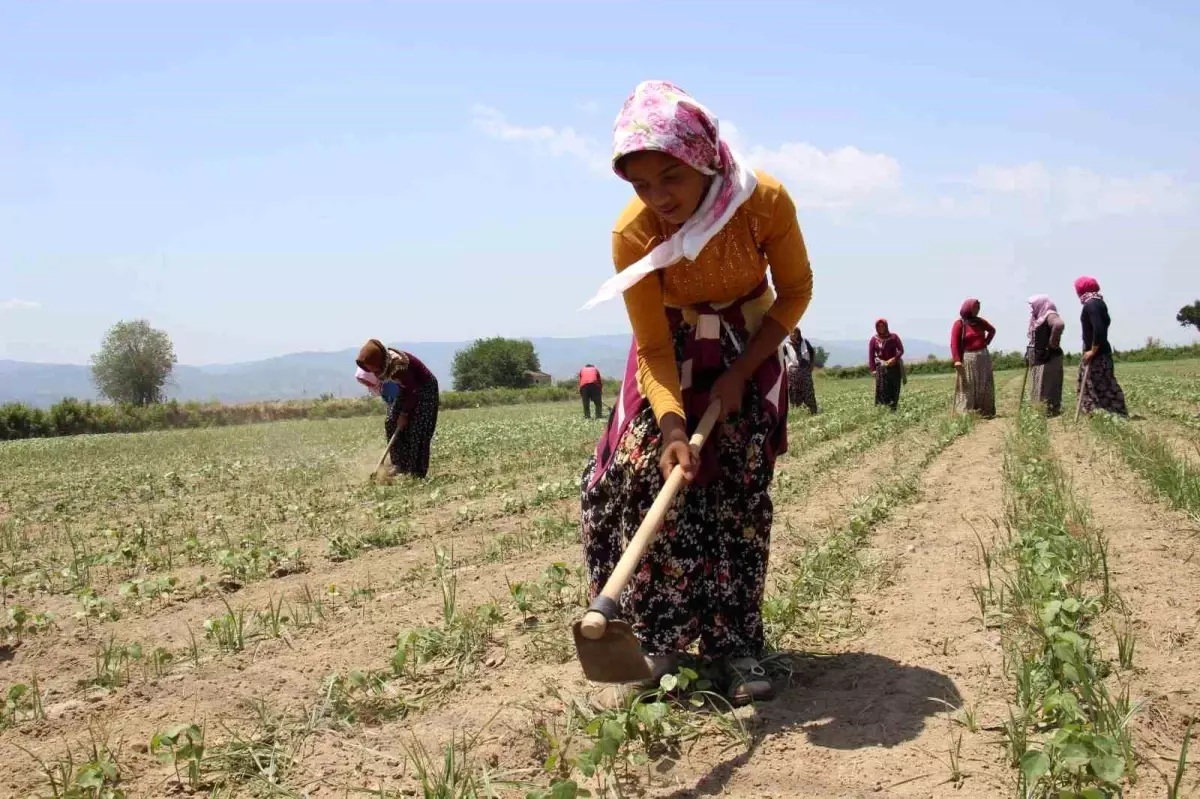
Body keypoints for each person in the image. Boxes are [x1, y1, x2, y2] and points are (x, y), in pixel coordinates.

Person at [579, 81, 813, 706]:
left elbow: (794, 294)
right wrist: (674, 427)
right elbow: (654, 349)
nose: (657, 198)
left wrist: (740, 375)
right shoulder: (635, 232)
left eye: (669, 178)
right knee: (634, 474)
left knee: (735, 479)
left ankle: (735, 646)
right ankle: (661, 643)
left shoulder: (762, 202)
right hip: (671, 350)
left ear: (704, 158)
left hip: (748, 336)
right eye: (640, 185)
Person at [355, 339, 440, 478]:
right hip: (407, 390)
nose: (370, 371)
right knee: (391, 421)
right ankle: (399, 465)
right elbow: (405, 389)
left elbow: (413, 391)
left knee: (418, 428)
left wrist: (405, 414)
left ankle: (415, 472)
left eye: (371, 367)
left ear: (378, 361)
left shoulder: (398, 366)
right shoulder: (384, 363)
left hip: (424, 389)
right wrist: (399, 415)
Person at [1074, 276, 1127, 416]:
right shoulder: (1098, 302)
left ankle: (1110, 412)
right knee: (1096, 383)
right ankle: (1098, 413)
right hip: (1100, 350)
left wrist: (1093, 350)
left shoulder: (1091, 304)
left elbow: (1099, 329)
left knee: (1103, 383)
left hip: (1098, 353)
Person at [950, 298, 997, 417]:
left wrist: (986, 342)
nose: (977, 310)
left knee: (984, 383)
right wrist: (957, 360)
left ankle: (985, 411)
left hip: (983, 357)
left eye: (978, 308)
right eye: (975, 308)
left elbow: (992, 330)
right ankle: (967, 412)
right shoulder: (959, 324)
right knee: (968, 384)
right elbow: (954, 343)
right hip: (968, 358)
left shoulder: (980, 322)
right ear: (968, 309)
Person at [1026, 294, 1066, 416]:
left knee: (1047, 385)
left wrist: (1053, 343)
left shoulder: (1050, 315)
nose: (1032, 309)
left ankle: (1049, 411)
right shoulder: (1038, 317)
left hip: (1049, 358)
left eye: (1033, 306)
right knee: (1039, 385)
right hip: (1040, 357)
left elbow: (1059, 325)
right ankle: (1041, 411)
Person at [869, 319, 904, 410]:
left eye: (883, 326)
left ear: (886, 326)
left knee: (894, 388)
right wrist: (873, 369)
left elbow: (901, 350)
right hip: (881, 368)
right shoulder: (874, 340)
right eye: (879, 326)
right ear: (876, 328)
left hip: (894, 367)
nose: (881, 328)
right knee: (882, 389)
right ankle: (882, 409)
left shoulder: (894, 337)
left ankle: (893, 408)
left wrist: (894, 359)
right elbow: (871, 356)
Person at [783, 328, 819, 414]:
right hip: (793, 372)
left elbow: (812, 352)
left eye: (794, 332)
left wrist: (812, 365)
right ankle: (797, 411)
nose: (793, 334)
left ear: (798, 333)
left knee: (808, 390)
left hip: (805, 370)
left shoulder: (805, 342)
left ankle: (812, 410)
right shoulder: (786, 346)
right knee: (794, 391)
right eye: (791, 333)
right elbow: (782, 358)